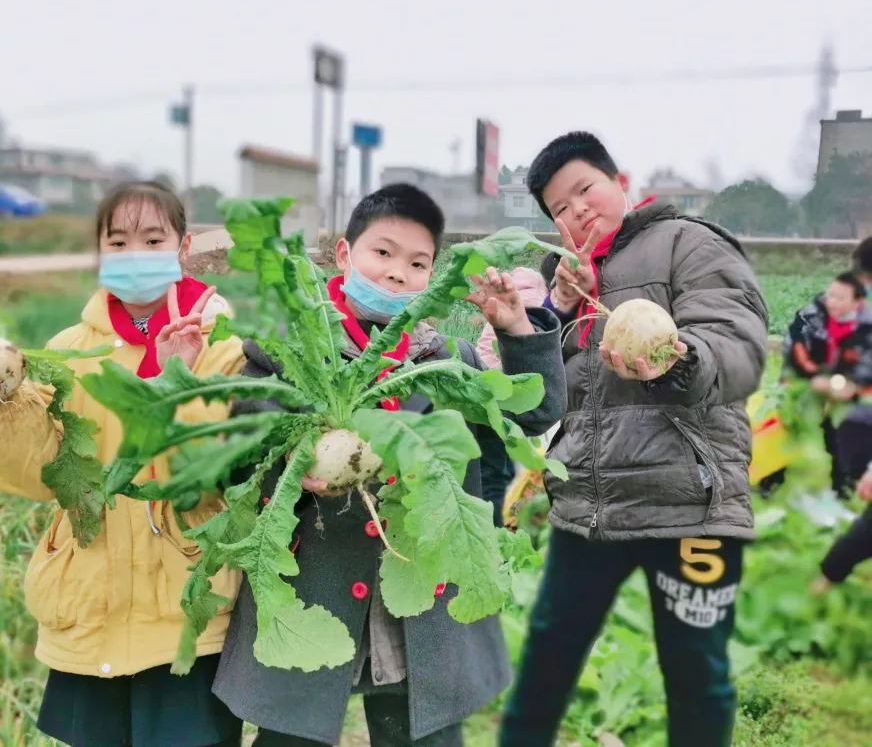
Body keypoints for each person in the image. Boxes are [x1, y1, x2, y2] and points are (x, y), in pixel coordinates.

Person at [211, 183, 567, 746]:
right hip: (315, 586)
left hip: (420, 598)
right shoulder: (284, 356)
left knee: (420, 731)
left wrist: (516, 330)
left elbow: (537, 411)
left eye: (418, 263)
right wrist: (298, 458)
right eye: (383, 253)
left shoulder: (449, 362)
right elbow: (238, 454)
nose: (398, 273)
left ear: (432, 277)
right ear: (345, 255)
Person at [0, 182, 246, 747]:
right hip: (89, 603)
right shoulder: (69, 348)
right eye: (118, 242)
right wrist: (0, 394)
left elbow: (203, 476)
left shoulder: (224, 349)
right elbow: (38, 477)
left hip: (185, 607)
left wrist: (174, 382)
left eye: (152, 240)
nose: (134, 255)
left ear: (183, 248)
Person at [499, 131, 769, 747]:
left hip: (691, 507)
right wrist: (547, 319)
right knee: (547, 659)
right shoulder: (563, 281)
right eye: (560, 208)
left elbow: (738, 345)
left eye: (585, 190)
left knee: (696, 674)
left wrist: (676, 361)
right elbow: (542, 400)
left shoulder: (688, 243)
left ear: (619, 182)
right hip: (590, 508)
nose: (577, 211)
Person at [782, 271, 872, 497]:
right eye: (831, 295)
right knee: (783, 419)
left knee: (844, 428)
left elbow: (867, 364)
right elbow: (795, 346)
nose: (832, 302)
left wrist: (853, 384)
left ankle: (844, 485)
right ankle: (770, 479)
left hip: (849, 385)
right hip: (809, 377)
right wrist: (812, 376)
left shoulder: (867, 325)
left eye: (840, 298)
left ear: (858, 302)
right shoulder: (811, 315)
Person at [475, 267, 553, 524]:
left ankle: (497, 524)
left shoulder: (512, 295)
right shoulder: (535, 301)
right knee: (499, 472)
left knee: (492, 468)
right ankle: (500, 527)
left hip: (483, 386)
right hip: (507, 392)